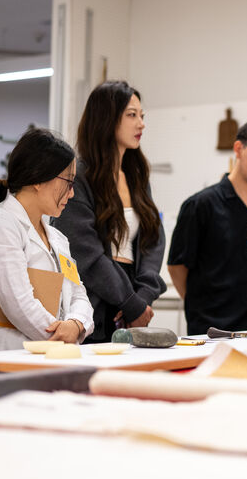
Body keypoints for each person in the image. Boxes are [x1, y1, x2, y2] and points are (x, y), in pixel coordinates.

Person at [52, 81, 166, 343]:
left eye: (142, 116)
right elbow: (85, 252)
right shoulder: (79, 178)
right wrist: (130, 301)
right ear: (106, 118)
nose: (141, 124)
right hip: (93, 297)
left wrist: (143, 297)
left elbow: (153, 239)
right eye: (131, 115)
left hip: (132, 295)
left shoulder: (137, 177)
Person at [0, 128, 93, 352]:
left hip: (44, 355)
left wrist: (76, 323)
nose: (71, 194)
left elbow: (79, 294)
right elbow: (19, 304)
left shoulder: (58, 238)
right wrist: (62, 337)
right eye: (68, 183)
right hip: (1, 357)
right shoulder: (0, 225)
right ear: (39, 179)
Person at [167, 120, 247, 335]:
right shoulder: (201, 205)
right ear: (238, 149)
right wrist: (201, 307)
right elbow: (177, 266)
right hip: (213, 329)